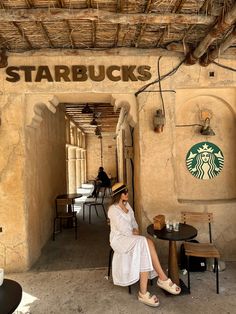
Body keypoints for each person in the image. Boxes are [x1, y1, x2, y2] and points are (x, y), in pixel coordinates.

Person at [108, 182, 181, 307]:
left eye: (127, 191)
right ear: (120, 195)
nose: (127, 194)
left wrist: (135, 229)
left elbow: (134, 223)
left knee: (147, 242)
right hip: (119, 240)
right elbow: (124, 230)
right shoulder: (113, 210)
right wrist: (133, 231)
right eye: (125, 192)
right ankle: (162, 279)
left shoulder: (127, 205)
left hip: (132, 237)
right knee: (144, 242)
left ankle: (145, 292)